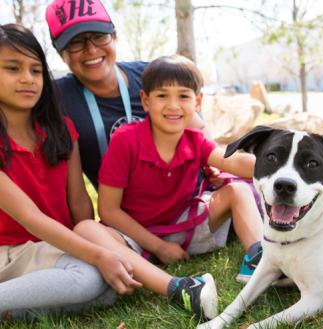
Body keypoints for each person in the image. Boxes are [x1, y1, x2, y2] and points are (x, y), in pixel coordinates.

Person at [0, 24, 216, 322]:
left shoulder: (60, 129)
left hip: (51, 246)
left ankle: (16, 308)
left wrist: (99, 242)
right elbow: (30, 218)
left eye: (36, 71)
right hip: (8, 252)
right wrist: (98, 255)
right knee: (91, 277)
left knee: (110, 284)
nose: (27, 79)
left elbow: (79, 203)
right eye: (13, 69)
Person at [94, 55, 264, 282]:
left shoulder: (196, 140)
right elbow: (108, 211)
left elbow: (233, 162)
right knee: (97, 235)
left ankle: (259, 259)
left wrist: (279, 162)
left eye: (183, 96)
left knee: (239, 190)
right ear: (145, 100)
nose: (173, 105)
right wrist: (159, 247)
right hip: (133, 235)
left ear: (197, 102)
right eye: (162, 95)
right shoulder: (125, 140)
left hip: (183, 225)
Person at [45, 0, 208, 189]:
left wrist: (214, 167)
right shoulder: (55, 97)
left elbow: (199, 130)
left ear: (114, 36)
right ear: (60, 53)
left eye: (98, 36)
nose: (91, 49)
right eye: (75, 42)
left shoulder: (151, 76)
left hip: (192, 195)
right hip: (125, 212)